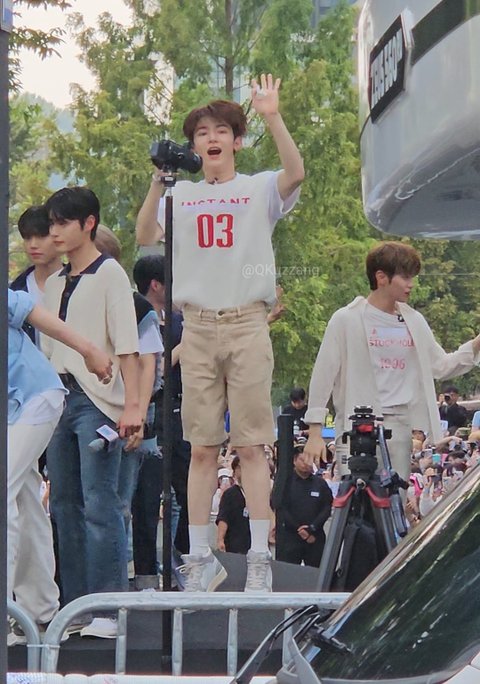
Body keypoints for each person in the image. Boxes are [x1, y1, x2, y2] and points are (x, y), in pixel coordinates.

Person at [136, 74, 304, 593]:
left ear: (236, 141)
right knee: (202, 447)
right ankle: (200, 556)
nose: (211, 138)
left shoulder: (256, 189)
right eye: (202, 133)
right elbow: (145, 235)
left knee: (251, 446)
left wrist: (272, 115)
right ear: (194, 146)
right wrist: (160, 179)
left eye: (221, 131)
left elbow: (295, 173)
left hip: (247, 322)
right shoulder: (182, 194)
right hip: (199, 326)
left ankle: (259, 558)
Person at [41, 187, 142, 639]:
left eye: (64, 222)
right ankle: (76, 605)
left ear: (89, 223)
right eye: (52, 223)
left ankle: (109, 608)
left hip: (97, 398)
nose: (55, 231)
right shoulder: (53, 283)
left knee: (101, 503)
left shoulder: (110, 273)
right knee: (64, 504)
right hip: (57, 396)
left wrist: (134, 406)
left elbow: (128, 346)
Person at [304, 242, 480, 483]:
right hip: (357, 425)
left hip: (398, 425)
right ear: (381, 277)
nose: (411, 284)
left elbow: (441, 366)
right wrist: (315, 430)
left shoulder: (413, 321)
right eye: (405, 277)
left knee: (395, 496)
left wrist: (476, 344)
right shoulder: (347, 319)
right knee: (356, 493)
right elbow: (323, 375)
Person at [7, 288, 112, 644]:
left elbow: (35, 314)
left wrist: (89, 350)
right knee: (24, 500)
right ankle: (40, 613)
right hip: (11, 413)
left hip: (37, 397)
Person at [95, 226, 164, 592]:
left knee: (122, 501)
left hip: (128, 412)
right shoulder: (72, 296)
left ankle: (120, 583)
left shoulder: (138, 307)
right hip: (90, 404)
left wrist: (139, 413)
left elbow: (149, 365)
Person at [10, 205, 64, 344]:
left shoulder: (78, 282)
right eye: (27, 238)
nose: (33, 244)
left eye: (41, 236)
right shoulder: (16, 291)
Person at [275, 441, 332, 568]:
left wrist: (312, 528)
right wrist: (299, 529)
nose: (306, 463)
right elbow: (280, 507)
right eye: (302, 460)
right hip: (290, 537)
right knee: (287, 571)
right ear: (294, 461)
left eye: (309, 460)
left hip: (314, 536)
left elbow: (327, 507)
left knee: (316, 572)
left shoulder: (320, 483)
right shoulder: (285, 482)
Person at [216, 456, 251, 555]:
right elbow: (223, 518)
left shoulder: (258, 493)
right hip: (234, 545)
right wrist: (220, 539)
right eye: (240, 467)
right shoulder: (230, 494)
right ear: (234, 472)